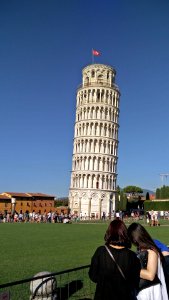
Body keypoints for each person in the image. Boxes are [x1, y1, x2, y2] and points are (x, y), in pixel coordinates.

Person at [89, 219, 141, 300]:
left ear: (109, 233)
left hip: (103, 295)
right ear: (125, 233)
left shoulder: (101, 251)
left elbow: (93, 275)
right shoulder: (132, 256)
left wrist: (104, 281)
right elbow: (135, 280)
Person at [128, 223, 168, 300]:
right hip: (144, 290)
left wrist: (130, 269)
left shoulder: (151, 251)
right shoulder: (142, 249)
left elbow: (150, 275)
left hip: (151, 292)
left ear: (135, 239)